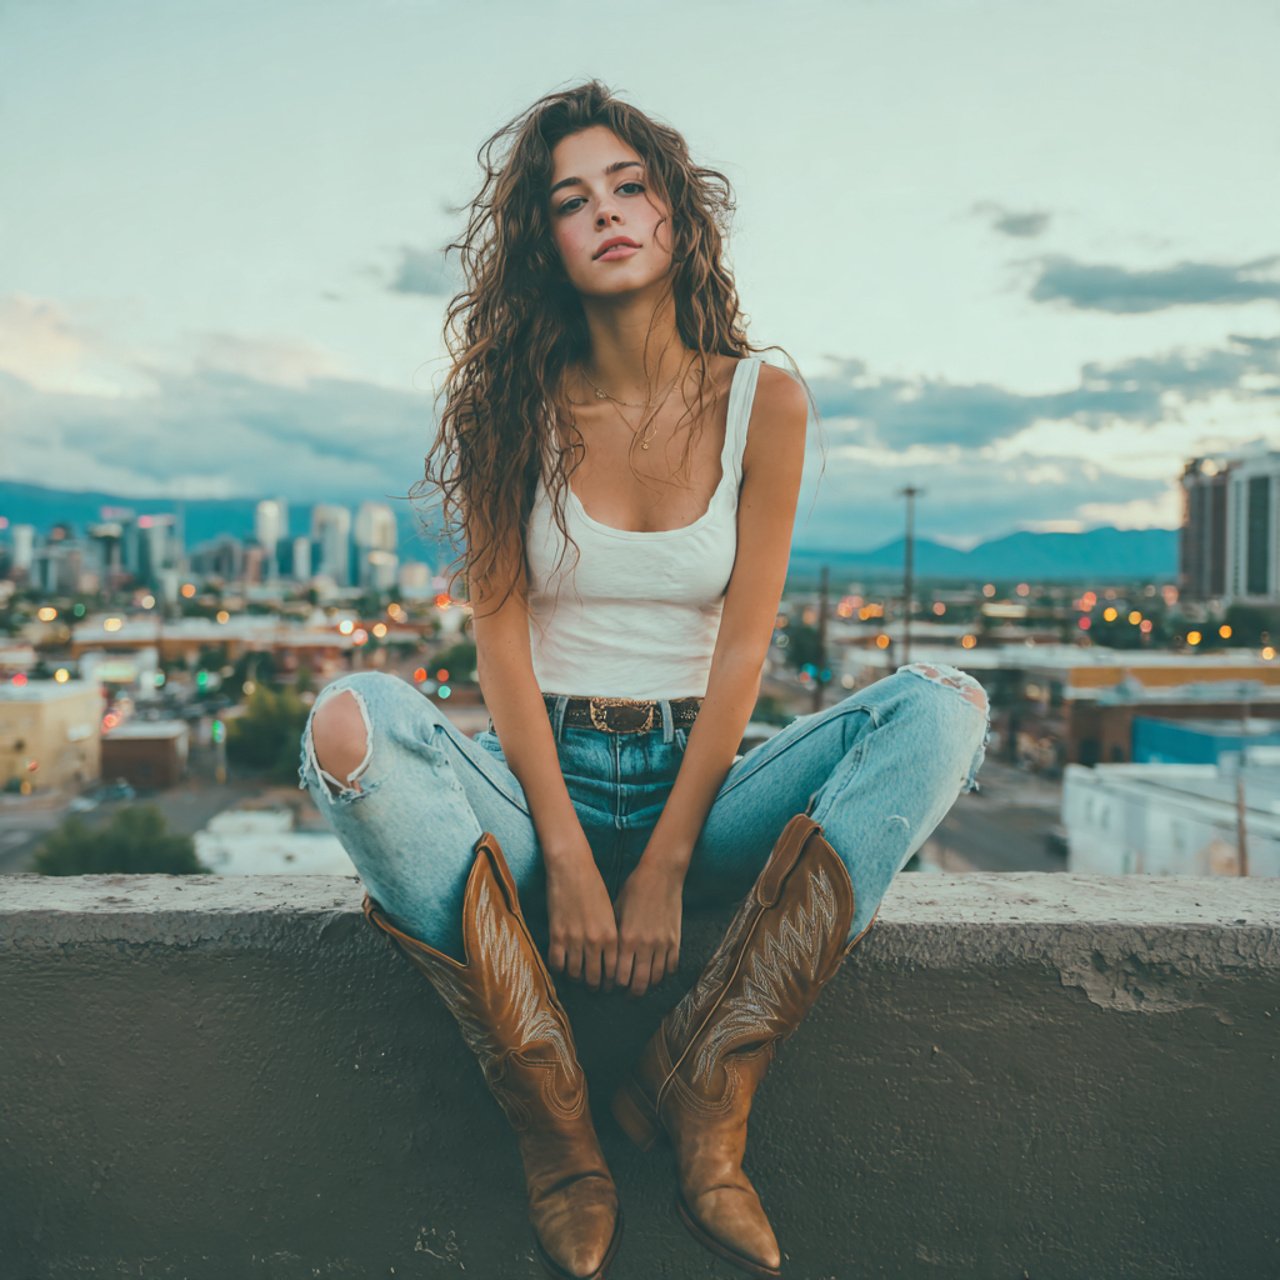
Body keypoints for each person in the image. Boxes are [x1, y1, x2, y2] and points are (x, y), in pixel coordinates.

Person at [296, 80, 991, 1280]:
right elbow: (499, 646)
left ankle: (702, 1081)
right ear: (544, 245)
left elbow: (742, 644)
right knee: (350, 723)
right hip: (536, 792)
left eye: (629, 185)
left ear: (675, 214)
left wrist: (666, 856)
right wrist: (565, 853)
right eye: (572, 200)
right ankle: (559, 1130)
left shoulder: (760, 400)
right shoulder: (508, 405)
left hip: (701, 785)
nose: (607, 211)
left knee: (943, 709)